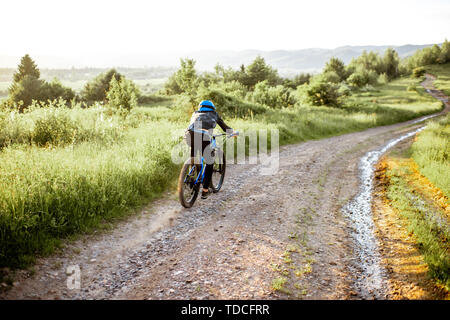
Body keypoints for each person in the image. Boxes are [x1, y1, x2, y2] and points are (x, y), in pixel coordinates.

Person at [185, 100, 236, 199]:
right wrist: (233, 132)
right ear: (212, 108)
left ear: (201, 107)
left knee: (194, 157)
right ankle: (205, 190)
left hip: (189, 135)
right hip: (204, 136)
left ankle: (192, 179)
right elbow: (225, 128)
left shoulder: (195, 113)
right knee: (209, 161)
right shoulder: (214, 114)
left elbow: (195, 126)